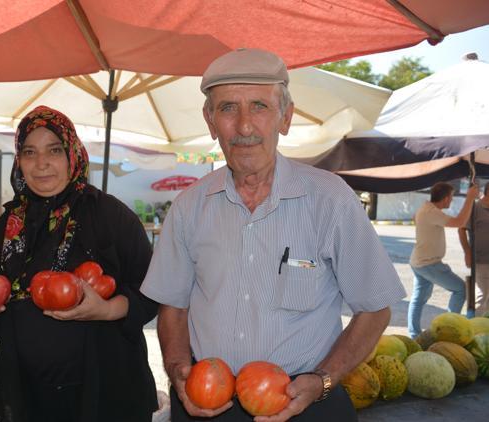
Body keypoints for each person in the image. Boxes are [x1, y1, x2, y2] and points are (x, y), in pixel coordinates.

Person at [140, 48, 406, 422]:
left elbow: (376, 307)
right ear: (210, 121)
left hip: (306, 398)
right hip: (207, 401)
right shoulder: (189, 206)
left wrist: (324, 381)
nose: (245, 126)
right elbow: (173, 305)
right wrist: (179, 369)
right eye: (228, 108)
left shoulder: (331, 200)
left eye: (260, 106)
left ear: (286, 117)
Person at [0, 105, 158, 422]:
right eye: (29, 152)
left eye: (53, 150)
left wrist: (108, 309)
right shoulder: (5, 227)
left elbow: (153, 292)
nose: (41, 163)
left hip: (105, 395)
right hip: (29, 397)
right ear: (20, 160)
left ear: (72, 153)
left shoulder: (111, 216)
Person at [408, 181, 478, 337]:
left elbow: (415, 218)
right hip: (428, 263)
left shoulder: (426, 209)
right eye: (451, 197)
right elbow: (459, 222)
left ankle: (414, 334)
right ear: (446, 198)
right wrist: (470, 198)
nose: (452, 200)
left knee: (418, 299)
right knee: (460, 289)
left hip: (419, 261)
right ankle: (449, 328)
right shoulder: (431, 212)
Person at [459, 183, 489, 316]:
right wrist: (467, 252)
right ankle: (477, 330)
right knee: (482, 295)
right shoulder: (475, 207)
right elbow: (461, 229)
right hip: (480, 259)